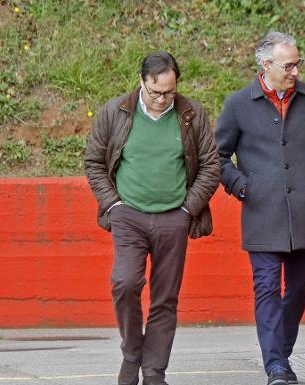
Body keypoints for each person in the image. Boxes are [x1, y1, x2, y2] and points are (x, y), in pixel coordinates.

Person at [215, 32, 305, 385]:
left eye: (297, 64)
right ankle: (275, 365)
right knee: (268, 288)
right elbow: (218, 157)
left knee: (300, 288)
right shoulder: (239, 103)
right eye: (288, 65)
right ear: (266, 65)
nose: (295, 72)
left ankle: (280, 354)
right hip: (261, 214)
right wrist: (242, 186)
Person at [84, 51, 220, 385]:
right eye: (155, 92)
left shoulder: (191, 114)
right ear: (141, 82)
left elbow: (211, 165)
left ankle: (154, 370)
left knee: (165, 298)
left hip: (175, 217)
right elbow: (94, 161)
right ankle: (133, 353)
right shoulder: (116, 112)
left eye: (169, 92)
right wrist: (113, 205)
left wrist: (188, 209)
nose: (162, 99)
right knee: (125, 283)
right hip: (127, 215)